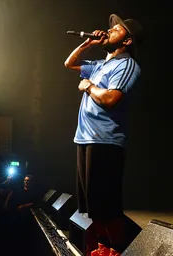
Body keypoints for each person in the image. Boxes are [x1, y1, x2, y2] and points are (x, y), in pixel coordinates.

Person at [64, 13, 143, 255]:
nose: (109, 32)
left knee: (107, 207)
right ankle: (102, 247)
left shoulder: (127, 65)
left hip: (105, 141)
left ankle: (118, 249)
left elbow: (110, 99)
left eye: (116, 30)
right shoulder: (100, 65)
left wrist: (88, 85)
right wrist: (88, 44)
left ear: (127, 41)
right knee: (92, 207)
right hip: (85, 138)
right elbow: (69, 63)